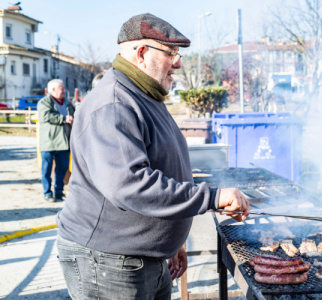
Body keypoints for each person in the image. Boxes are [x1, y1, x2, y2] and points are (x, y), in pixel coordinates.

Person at [56, 13, 250, 300]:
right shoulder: (114, 103)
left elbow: (161, 165)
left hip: (145, 255)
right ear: (142, 53)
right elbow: (130, 184)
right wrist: (213, 197)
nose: (179, 62)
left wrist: (172, 241)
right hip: (110, 261)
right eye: (171, 53)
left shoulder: (145, 95)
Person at [37, 79, 74, 202]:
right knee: (46, 169)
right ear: (53, 90)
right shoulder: (44, 102)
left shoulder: (68, 103)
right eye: (61, 89)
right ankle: (47, 192)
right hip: (49, 142)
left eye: (64, 88)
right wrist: (63, 119)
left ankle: (59, 192)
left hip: (64, 143)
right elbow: (45, 116)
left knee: (62, 169)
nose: (64, 91)